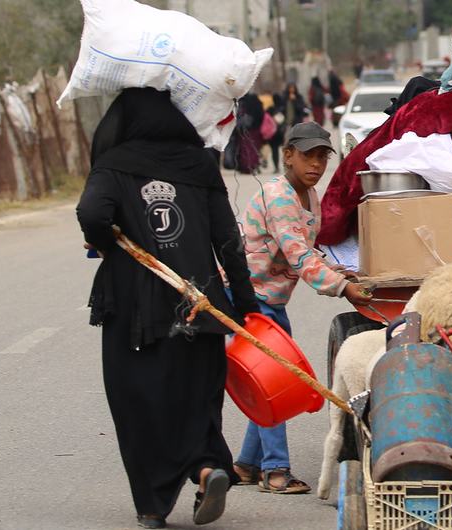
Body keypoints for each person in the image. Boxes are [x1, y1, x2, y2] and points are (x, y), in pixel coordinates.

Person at [76, 87, 258, 529]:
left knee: (139, 402)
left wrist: (108, 243)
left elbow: (92, 213)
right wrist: (245, 303)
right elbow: (229, 241)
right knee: (197, 398)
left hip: (136, 315)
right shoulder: (200, 164)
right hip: (200, 305)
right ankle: (205, 468)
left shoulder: (114, 165)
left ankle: (153, 507)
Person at [232, 122, 373, 494]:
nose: (315, 164)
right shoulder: (279, 195)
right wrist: (343, 288)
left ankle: (247, 464)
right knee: (273, 380)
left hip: (271, 298)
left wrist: (340, 269)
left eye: (322, 157)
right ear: (287, 155)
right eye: (307, 155)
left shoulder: (308, 195)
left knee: (274, 379)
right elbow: (296, 254)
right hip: (249, 298)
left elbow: (310, 251)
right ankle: (275, 471)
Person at [268, 84, 308, 173]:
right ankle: (287, 164)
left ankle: (297, 164)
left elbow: (301, 109)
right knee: (287, 146)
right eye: (290, 88)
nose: (291, 90)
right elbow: (280, 109)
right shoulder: (284, 98)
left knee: (297, 145)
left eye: (293, 88)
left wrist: (294, 101)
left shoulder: (298, 98)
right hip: (286, 125)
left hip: (296, 124)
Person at [235, 92, 265, 174]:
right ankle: (253, 165)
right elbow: (261, 115)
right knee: (254, 147)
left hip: (243, 129)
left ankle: (245, 166)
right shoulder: (257, 104)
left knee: (244, 148)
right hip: (255, 129)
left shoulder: (243, 103)